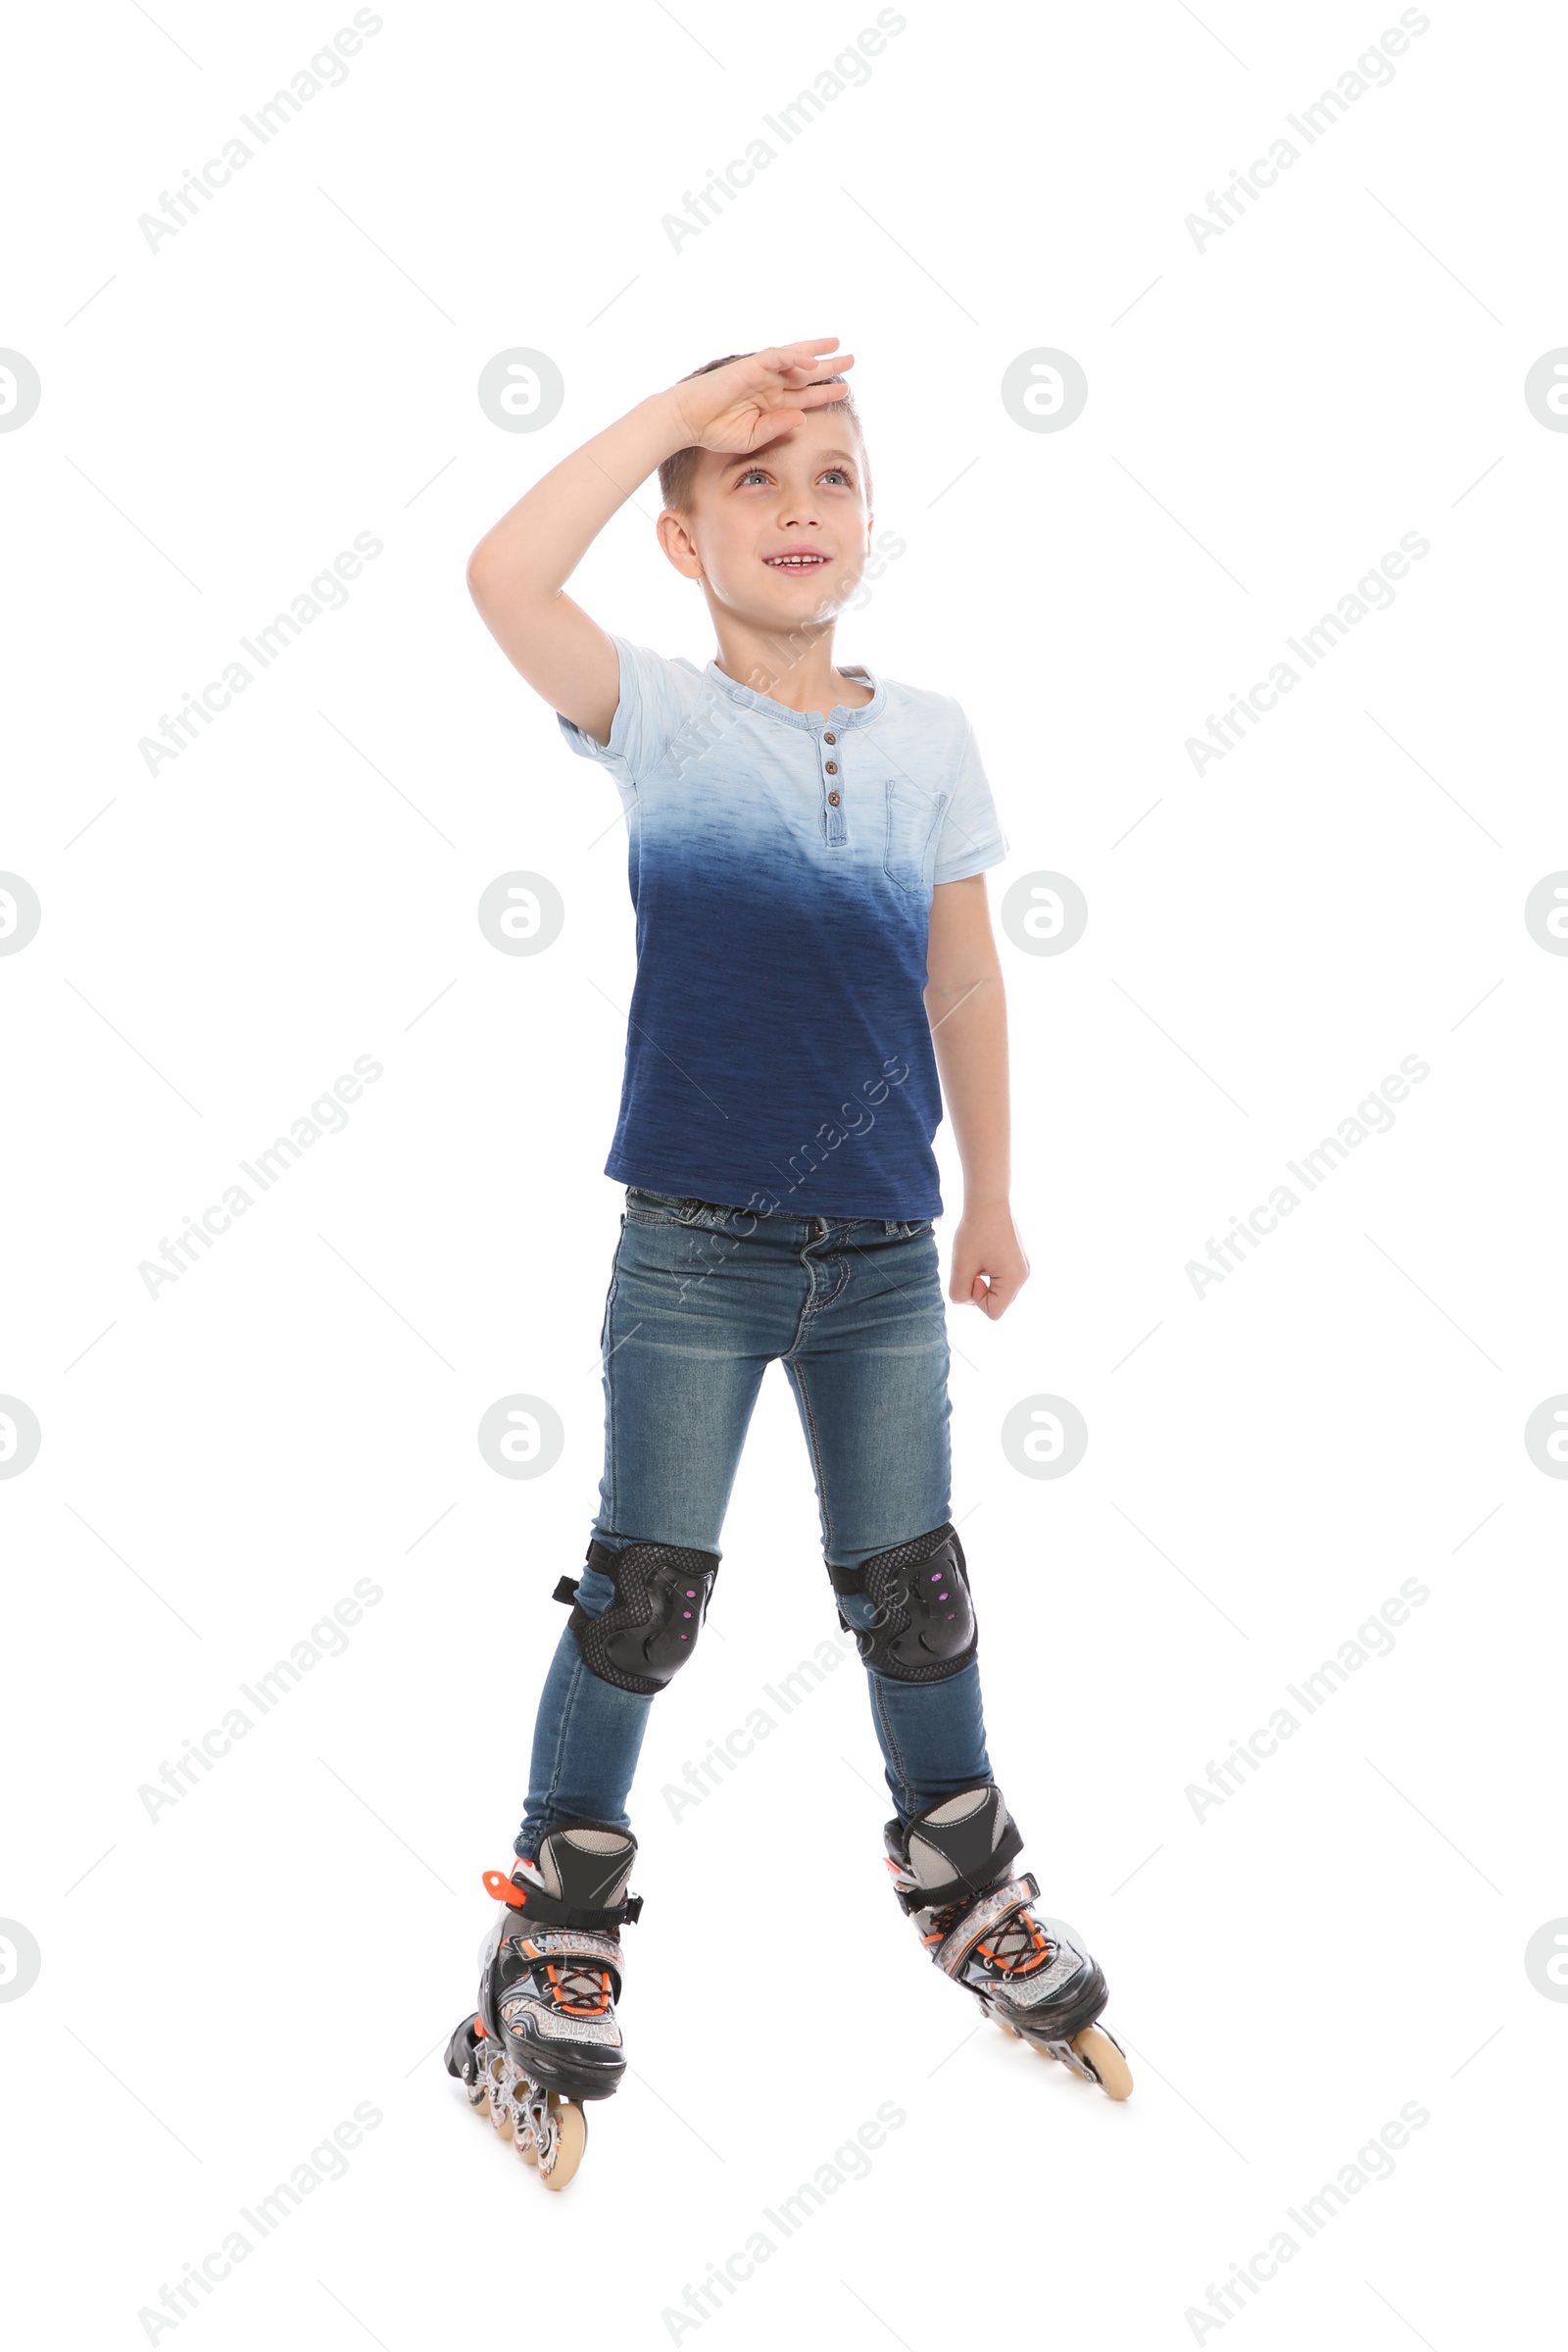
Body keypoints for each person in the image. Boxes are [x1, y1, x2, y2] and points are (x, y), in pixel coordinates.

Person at [444, 340, 1129, 2187]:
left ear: (871, 518)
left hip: (889, 1253)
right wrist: (679, 410)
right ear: (681, 539)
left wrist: (992, 1195)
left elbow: (964, 976)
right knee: (644, 1593)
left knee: (916, 1591)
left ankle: (965, 1880)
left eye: (830, 476)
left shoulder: (930, 740)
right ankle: (555, 1912)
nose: (800, 507)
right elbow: (504, 574)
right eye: (753, 482)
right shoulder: (655, 716)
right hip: (692, 1243)